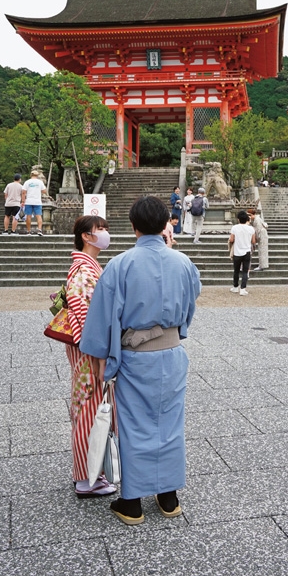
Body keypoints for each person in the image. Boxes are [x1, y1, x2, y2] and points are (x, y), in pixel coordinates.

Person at [79, 195, 201, 525]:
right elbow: (190, 307)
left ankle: (131, 501)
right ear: (165, 225)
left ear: (133, 227)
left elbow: (102, 318)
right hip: (172, 354)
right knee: (171, 425)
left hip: (135, 357)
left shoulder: (120, 264)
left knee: (134, 426)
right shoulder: (183, 263)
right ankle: (168, 497)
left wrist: (100, 358)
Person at [66, 215, 117, 498]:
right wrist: (100, 356)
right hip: (89, 351)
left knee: (89, 407)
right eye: (100, 229)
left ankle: (89, 473)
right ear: (86, 236)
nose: (105, 233)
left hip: (87, 348)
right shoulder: (84, 271)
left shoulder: (87, 267)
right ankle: (86, 478)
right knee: (89, 410)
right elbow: (87, 317)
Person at [229, 210, 256, 296]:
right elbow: (253, 241)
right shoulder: (251, 229)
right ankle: (243, 288)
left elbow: (231, 239)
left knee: (236, 270)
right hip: (247, 251)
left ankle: (235, 287)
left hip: (237, 251)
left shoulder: (234, 228)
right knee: (245, 271)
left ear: (238, 219)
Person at [21, 169, 47, 235]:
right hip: (37, 201)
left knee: (28, 216)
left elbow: (23, 192)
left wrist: (23, 201)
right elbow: (44, 191)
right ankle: (39, 230)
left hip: (29, 201)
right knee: (39, 216)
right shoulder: (40, 182)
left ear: (31, 175)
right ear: (37, 175)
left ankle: (28, 231)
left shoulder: (27, 182)